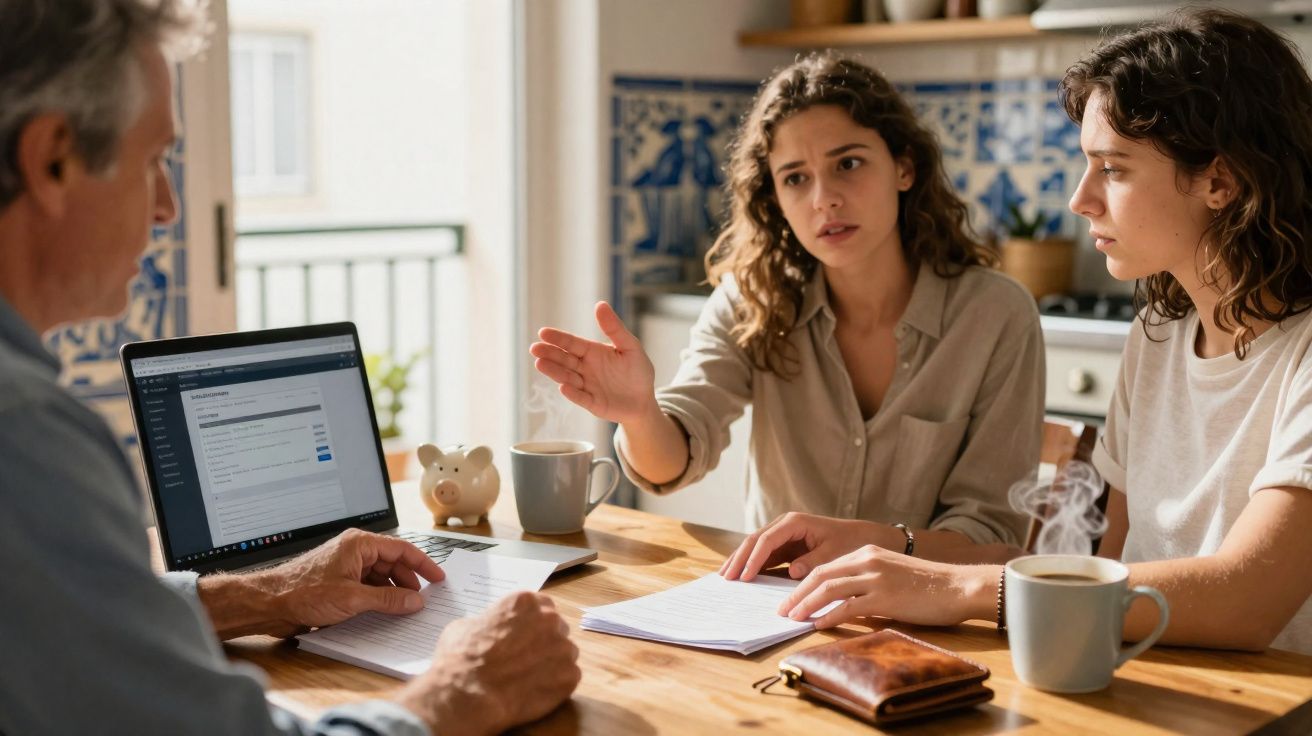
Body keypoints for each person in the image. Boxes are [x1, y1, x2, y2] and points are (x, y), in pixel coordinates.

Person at [0, 1, 579, 734]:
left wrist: (273, 593)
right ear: (51, 157)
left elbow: (69, 623)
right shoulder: (25, 438)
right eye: (154, 161)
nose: (169, 208)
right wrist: (462, 690)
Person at [724, 8, 1312, 656]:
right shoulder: (1159, 334)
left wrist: (960, 587)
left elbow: (1249, 600)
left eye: (1112, 169)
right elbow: (1111, 562)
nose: (1080, 199)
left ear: (1220, 180)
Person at [531, 53, 1044, 562]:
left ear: (904, 167)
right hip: (778, 610)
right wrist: (640, 413)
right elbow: (670, 463)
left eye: (848, 163)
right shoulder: (753, 299)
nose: (824, 199)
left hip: (935, 619)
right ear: (774, 196)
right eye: (796, 177)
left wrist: (878, 546)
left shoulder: (996, 316)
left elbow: (992, 538)